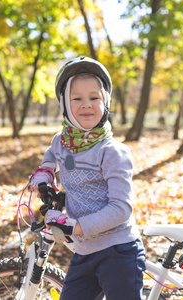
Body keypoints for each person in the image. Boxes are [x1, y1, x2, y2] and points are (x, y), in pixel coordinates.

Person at [30, 56, 146, 300]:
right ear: (64, 105)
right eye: (77, 99)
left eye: (95, 98)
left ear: (106, 103)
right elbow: (51, 156)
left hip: (118, 251)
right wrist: (45, 173)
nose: (86, 105)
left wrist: (74, 226)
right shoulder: (60, 142)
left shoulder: (112, 152)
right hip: (84, 252)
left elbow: (121, 209)